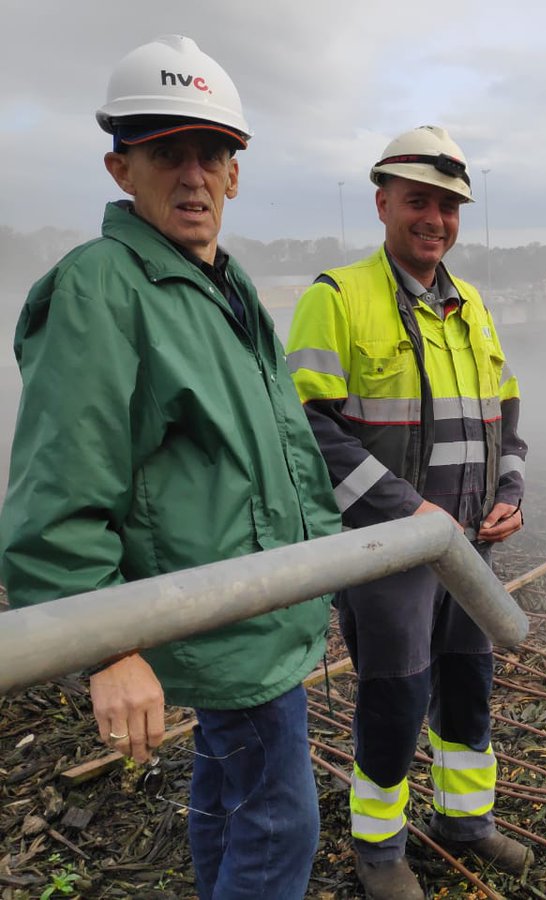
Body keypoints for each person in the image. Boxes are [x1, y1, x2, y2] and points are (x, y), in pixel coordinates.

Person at [0, 35, 342, 900]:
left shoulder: (226, 284)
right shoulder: (102, 287)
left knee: (231, 797)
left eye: (211, 154)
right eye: (167, 154)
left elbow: (283, 448)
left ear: (236, 173)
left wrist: (321, 565)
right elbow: (59, 491)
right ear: (120, 168)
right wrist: (107, 646)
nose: (194, 177)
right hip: (219, 619)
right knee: (280, 824)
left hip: (258, 608)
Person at [286, 126, 531, 900]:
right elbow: (306, 428)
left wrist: (510, 491)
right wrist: (409, 512)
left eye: (448, 206)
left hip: (470, 550)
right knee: (394, 696)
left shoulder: (473, 305)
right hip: (390, 552)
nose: (435, 219)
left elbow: (506, 409)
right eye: (418, 201)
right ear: (382, 203)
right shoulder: (336, 298)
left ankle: (465, 821)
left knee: (468, 683)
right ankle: (379, 847)